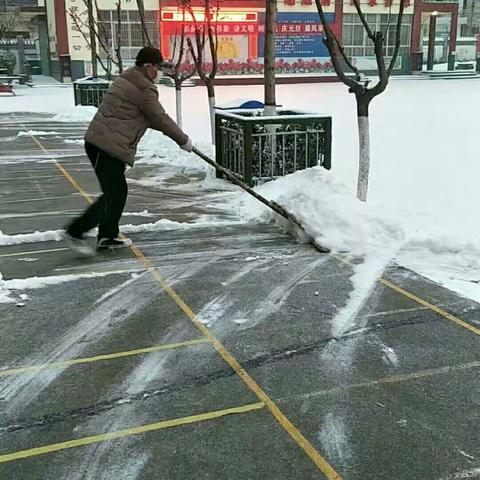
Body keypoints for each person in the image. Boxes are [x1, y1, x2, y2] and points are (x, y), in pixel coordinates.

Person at [64, 46, 192, 255]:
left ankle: (107, 236)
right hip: (107, 145)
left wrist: (164, 129)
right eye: (158, 68)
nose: (160, 72)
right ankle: (76, 231)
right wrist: (183, 140)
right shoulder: (144, 88)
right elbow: (158, 117)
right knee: (114, 193)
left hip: (102, 143)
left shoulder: (128, 78)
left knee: (116, 192)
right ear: (148, 66)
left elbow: (136, 115)